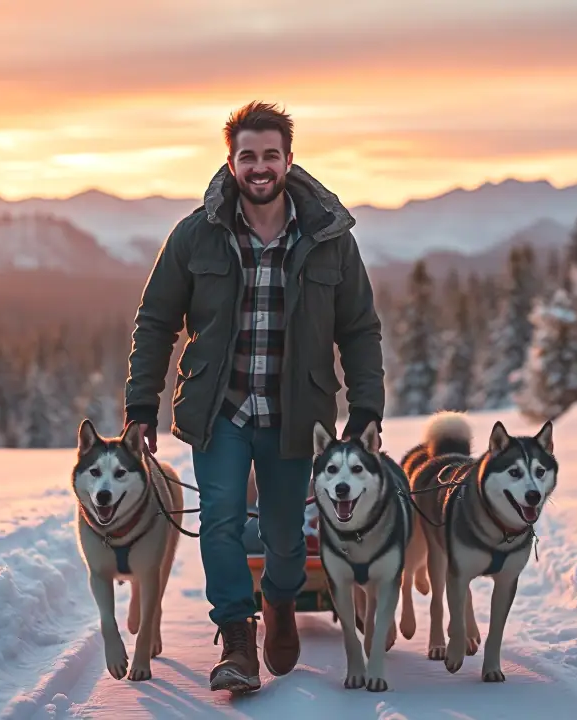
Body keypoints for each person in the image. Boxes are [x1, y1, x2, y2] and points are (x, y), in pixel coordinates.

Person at [122, 101, 386, 693]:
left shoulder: (329, 239)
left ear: (289, 160)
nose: (260, 166)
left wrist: (367, 408)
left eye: (271, 155)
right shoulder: (197, 235)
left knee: (286, 534)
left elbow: (360, 328)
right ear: (232, 162)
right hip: (221, 411)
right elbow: (156, 320)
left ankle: (281, 605)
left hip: (297, 415)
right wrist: (141, 405)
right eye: (248, 156)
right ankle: (238, 638)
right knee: (220, 521)